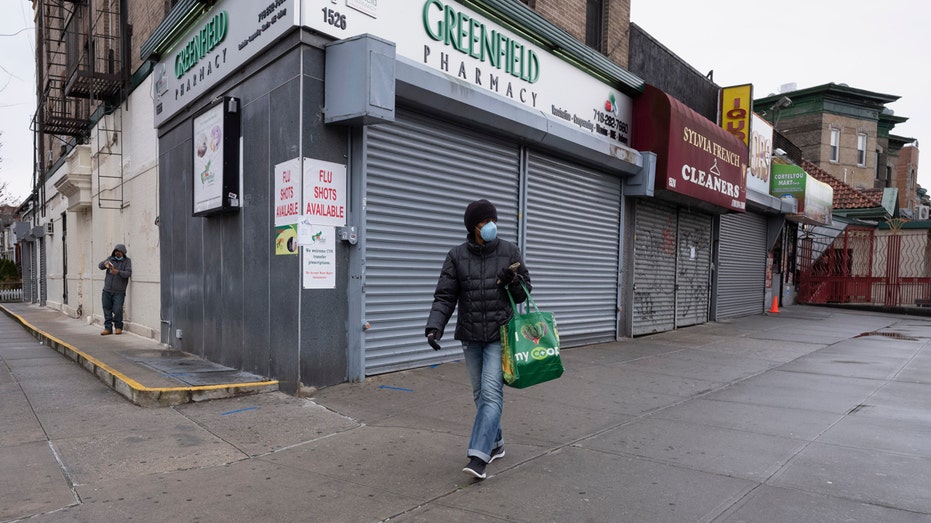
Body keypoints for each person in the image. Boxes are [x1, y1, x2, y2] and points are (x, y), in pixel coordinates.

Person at [426, 199, 531, 480]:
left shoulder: (509, 250)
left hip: (500, 335)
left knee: (491, 394)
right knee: (479, 394)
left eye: (493, 220)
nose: (491, 226)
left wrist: (512, 281)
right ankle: (496, 443)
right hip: (471, 336)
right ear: (474, 227)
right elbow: (445, 296)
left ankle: (479, 455)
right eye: (485, 222)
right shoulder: (456, 256)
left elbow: (523, 293)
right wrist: (434, 327)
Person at [98, 244, 132, 335]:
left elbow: (128, 273)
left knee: (117, 309)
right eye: (116, 251)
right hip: (107, 290)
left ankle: (118, 327)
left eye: (119, 252)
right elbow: (100, 266)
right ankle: (108, 328)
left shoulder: (127, 261)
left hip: (119, 291)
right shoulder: (110, 259)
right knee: (106, 309)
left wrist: (118, 272)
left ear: (123, 253)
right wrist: (105, 265)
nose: (117, 253)